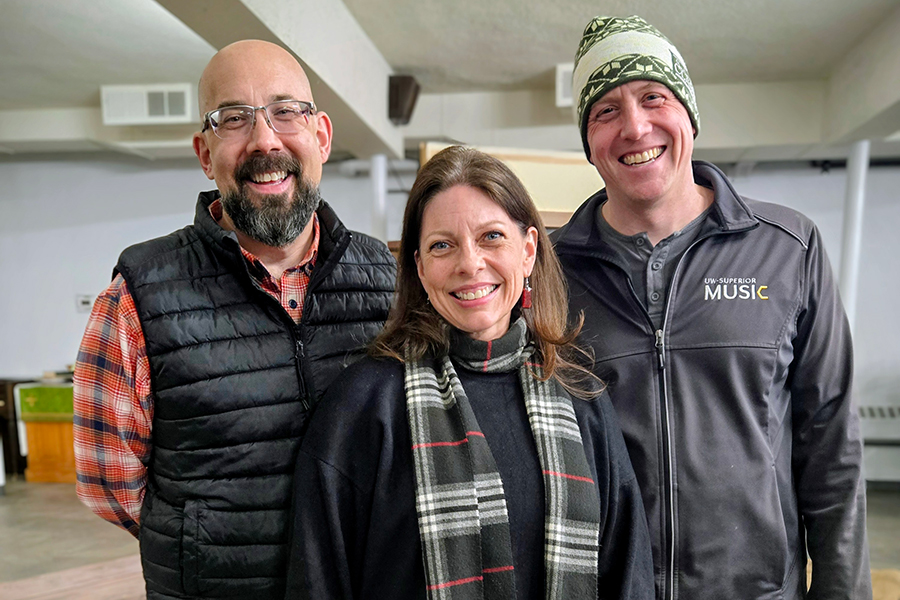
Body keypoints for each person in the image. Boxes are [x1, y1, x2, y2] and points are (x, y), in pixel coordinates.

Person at [552, 15, 871, 600]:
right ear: (588, 143)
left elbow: (832, 449)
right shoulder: (548, 272)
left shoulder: (787, 248)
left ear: (689, 118)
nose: (635, 126)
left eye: (654, 98)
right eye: (606, 112)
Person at [73, 40, 396, 600]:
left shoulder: (388, 279)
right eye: (234, 119)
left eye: (284, 111)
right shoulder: (138, 295)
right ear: (205, 152)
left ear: (320, 135)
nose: (265, 140)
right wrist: (203, 536)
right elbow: (110, 484)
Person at [285, 145, 654, 600]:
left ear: (528, 250)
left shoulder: (582, 399)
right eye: (442, 245)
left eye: (491, 237)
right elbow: (317, 582)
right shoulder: (363, 405)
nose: (469, 264)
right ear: (419, 267)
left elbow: (628, 574)